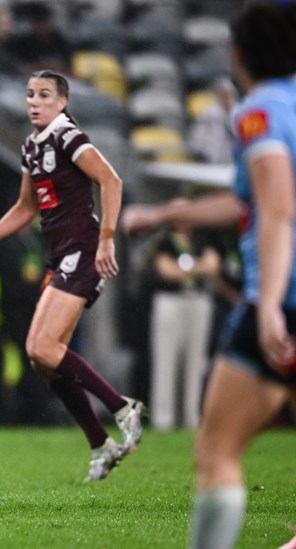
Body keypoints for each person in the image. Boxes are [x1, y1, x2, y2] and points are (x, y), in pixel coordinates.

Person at [122, 4, 296, 547]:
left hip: (284, 298)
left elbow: (276, 208)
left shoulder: (259, 113)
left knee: (217, 450)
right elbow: (248, 204)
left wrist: (267, 302)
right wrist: (166, 215)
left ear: (238, 55)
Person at [0, 70, 144, 482]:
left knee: (43, 348)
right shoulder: (32, 146)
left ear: (62, 103)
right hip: (60, 256)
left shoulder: (67, 136)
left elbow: (111, 181)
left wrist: (108, 238)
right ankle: (101, 444)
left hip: (83, 250)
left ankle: (121, 407)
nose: (34, 102)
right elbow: (27, 208)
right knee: (42, 360)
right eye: (29, 95)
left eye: (44, 95)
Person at [145, 224, 221, 430]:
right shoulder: (164, 241)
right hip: (170, 300)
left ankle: (192, 417)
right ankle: (163, 418)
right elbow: (166, 270)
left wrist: (186, 269)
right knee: (166, 359)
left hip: (197, 300)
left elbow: (213, 265)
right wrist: (197, 268)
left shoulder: (202, 238)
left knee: (196, 361)